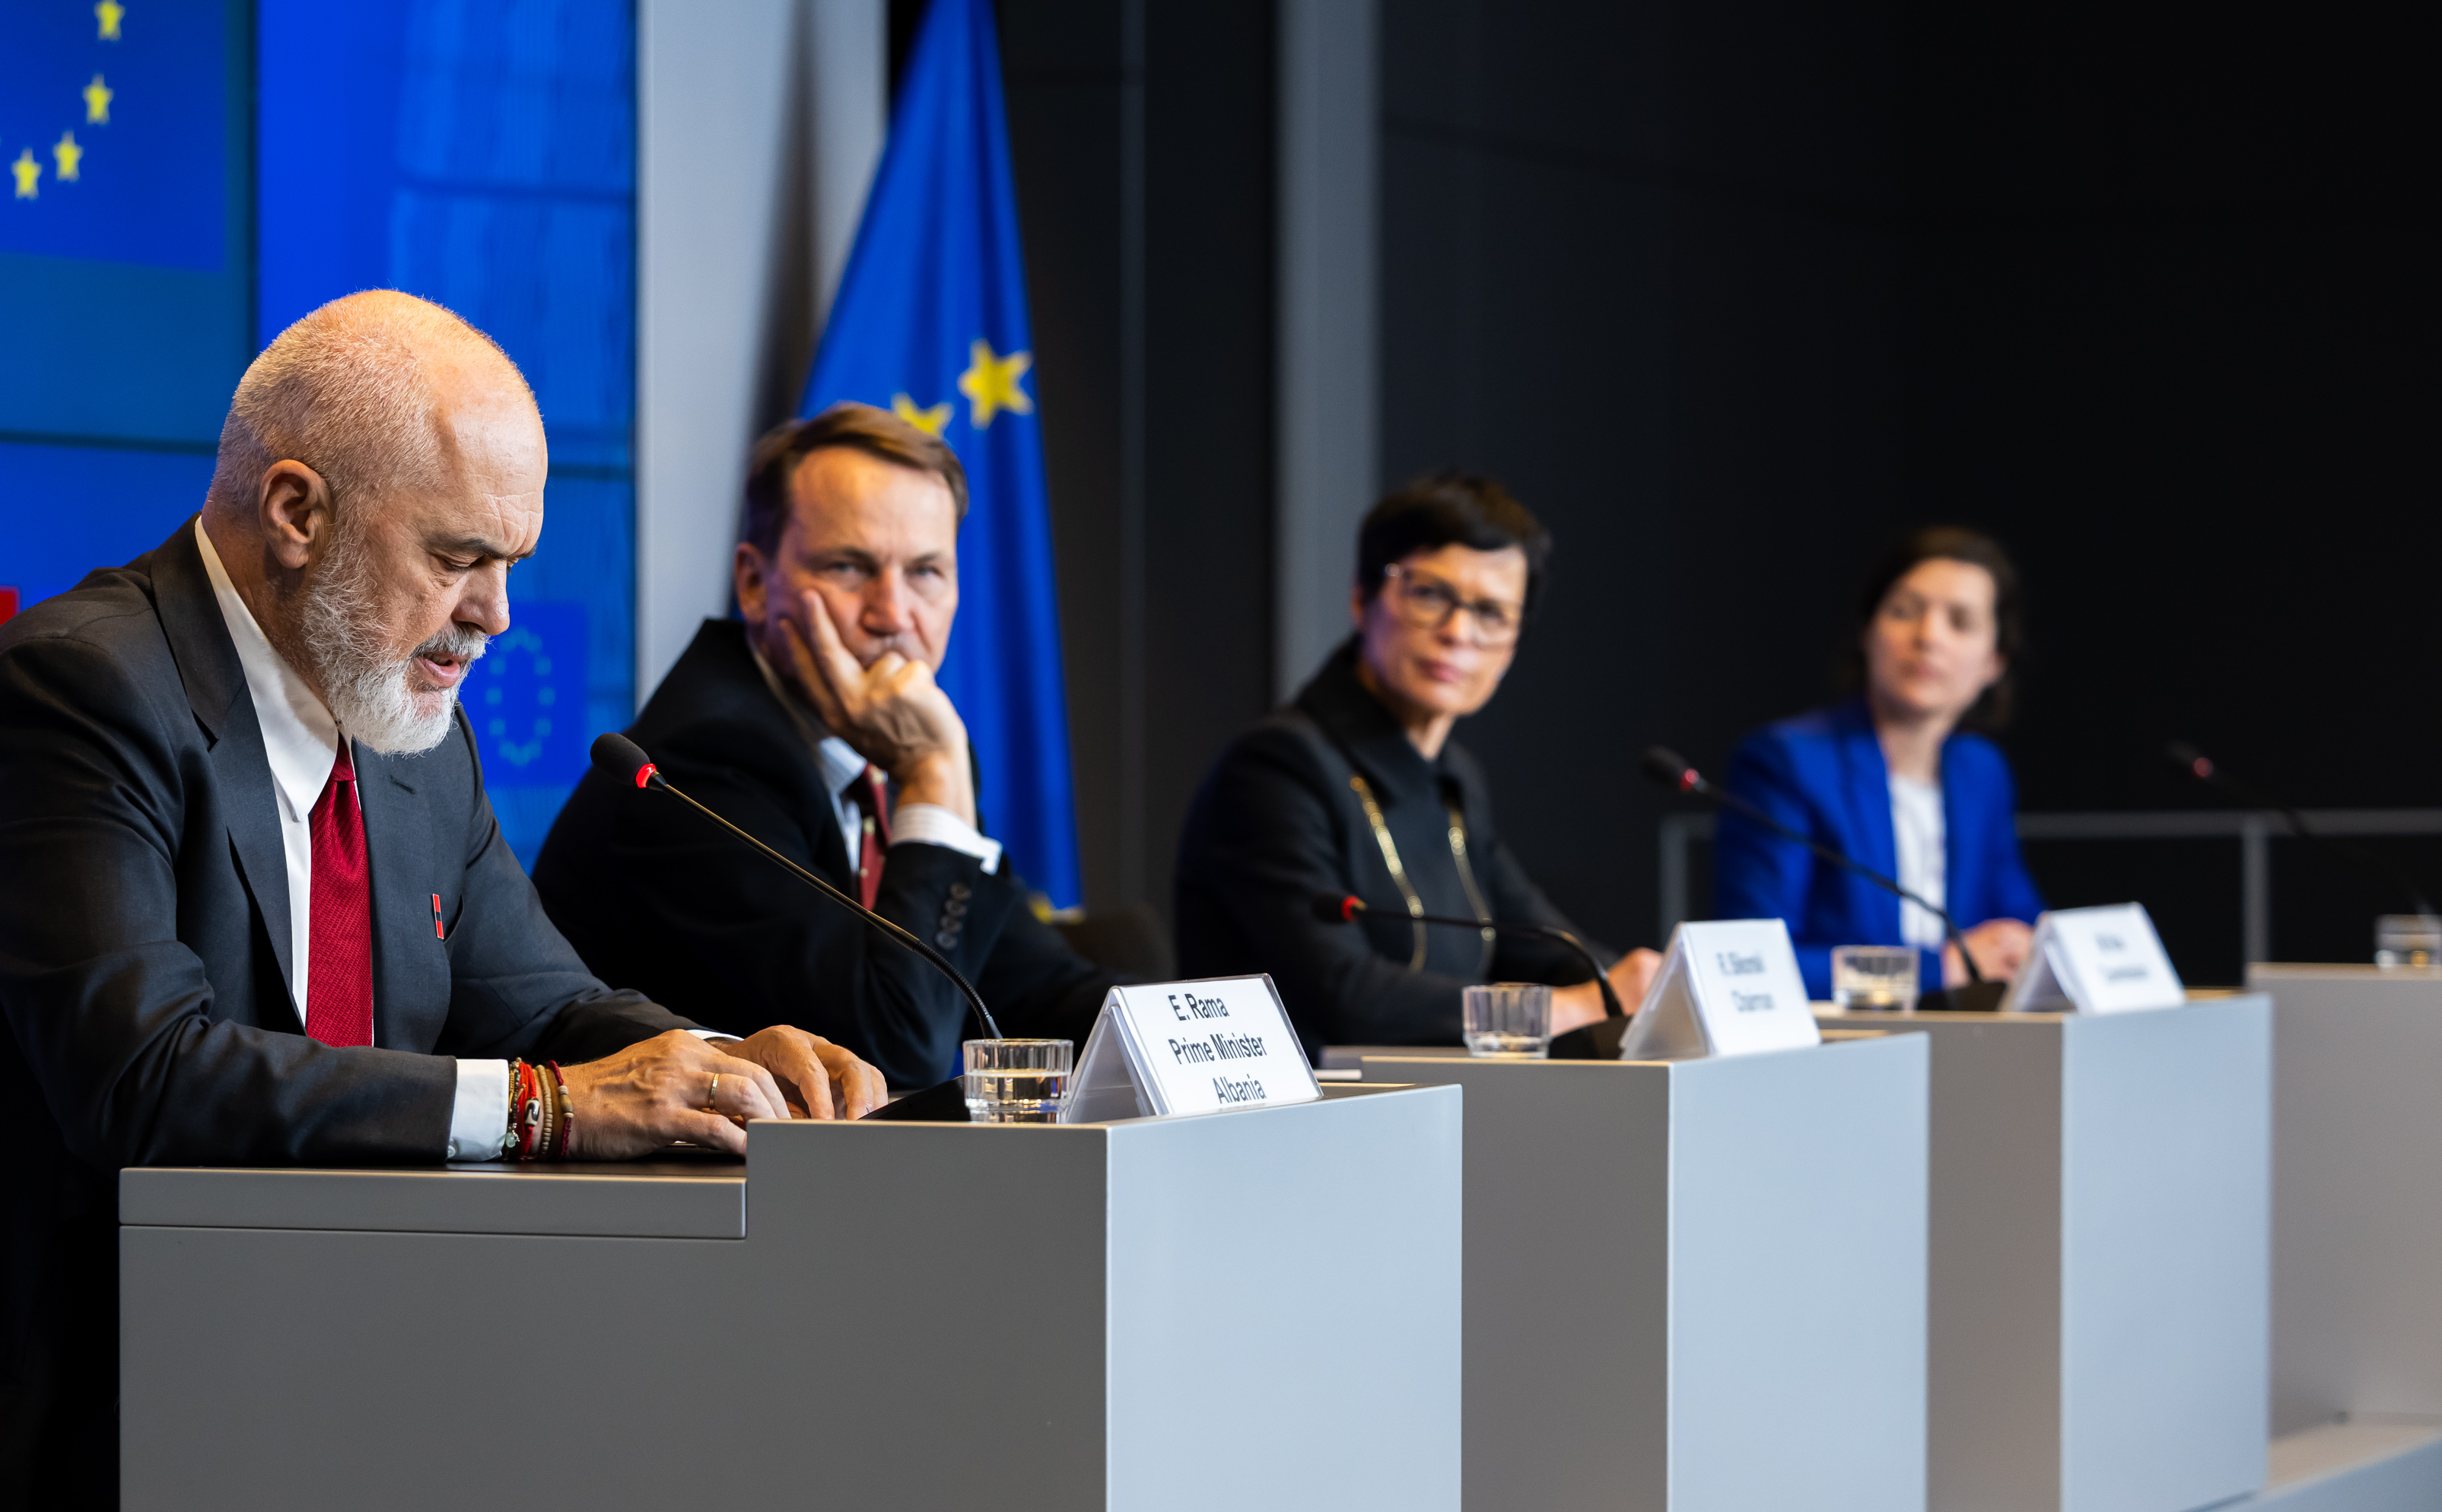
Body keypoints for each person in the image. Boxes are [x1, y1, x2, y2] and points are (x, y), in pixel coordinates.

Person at [0, 292, 882, 1512]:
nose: (495, 615)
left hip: (271, 1364)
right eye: (459, 557)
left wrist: (719, 1063)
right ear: (294, 512)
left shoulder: (407, 733)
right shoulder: (75, 694)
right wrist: (556, 1109)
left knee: (584, 1493)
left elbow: (545, 1004)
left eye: (511, 564)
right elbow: (147, 1081)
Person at [533, 404, 1113, 1091]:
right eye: (849, 567)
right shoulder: (704, 759)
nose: (893, 615)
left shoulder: (887, 746)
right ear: (755, 584)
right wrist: (934, 775)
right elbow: (893, 1053)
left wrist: (1192, 1038)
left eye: (926, 572)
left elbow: (1037, 987)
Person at [1174, 472, 1658, 1060]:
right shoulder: (1277, 768)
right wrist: (1577, 1007)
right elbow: (1345, 995)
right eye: (1429, 594)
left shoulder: (1454, 777)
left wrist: (1644, 990)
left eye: (1491, 613)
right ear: (1362, 597)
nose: (1458, 633)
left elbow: (1547, 944)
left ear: (1513, 645)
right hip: (1302, 1105)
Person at [1710, 526, 2043, 996]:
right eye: (1905, 612)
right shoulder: (1787, 763)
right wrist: (1939, 969)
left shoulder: (1981, 772)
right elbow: (1751, 965)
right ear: (1868, 631)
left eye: (1960, 622)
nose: (1929, 637)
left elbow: (2020, 923)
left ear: (1995, 662)